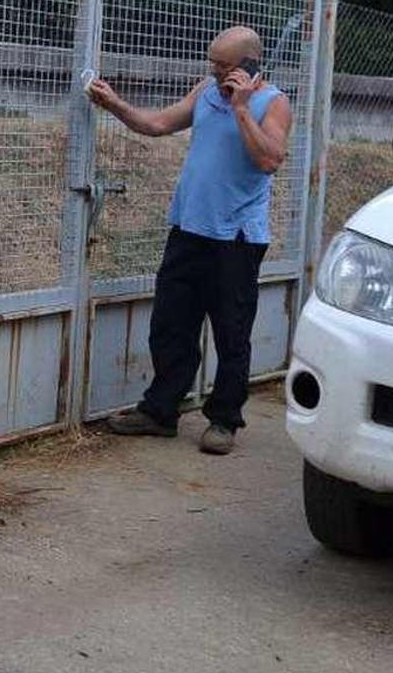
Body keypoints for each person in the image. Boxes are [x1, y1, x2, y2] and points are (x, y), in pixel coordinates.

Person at [87, 27, 292, 455]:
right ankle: (160, 411)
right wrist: (115, 105)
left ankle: (224, 420)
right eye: (212, 63)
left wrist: (240, 108)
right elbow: (159, 123)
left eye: (223, 66)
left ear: (249, 64)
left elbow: (270, 159)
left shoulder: (272, 103)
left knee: (231, 331)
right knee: (170, 324)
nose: (214, 71)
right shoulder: (205, 91)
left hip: (235, 239)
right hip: (188, 229)